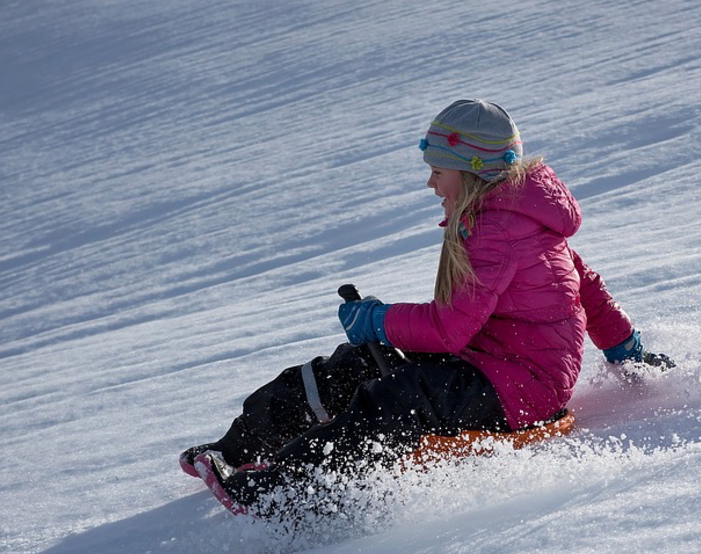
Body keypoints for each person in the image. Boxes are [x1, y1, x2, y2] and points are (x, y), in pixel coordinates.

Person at [182, 98, 673, 521]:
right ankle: (238, 451)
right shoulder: (518, 218)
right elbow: (588, 288)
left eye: (439, 172)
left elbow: (448, 331)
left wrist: (377, 319)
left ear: (474, 172)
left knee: (396, 398)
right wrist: (625, 349)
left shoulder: (497, 231)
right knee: (352, 367)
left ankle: (283, 496)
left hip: (520, 388)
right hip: (490, 364)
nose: (432, 184)